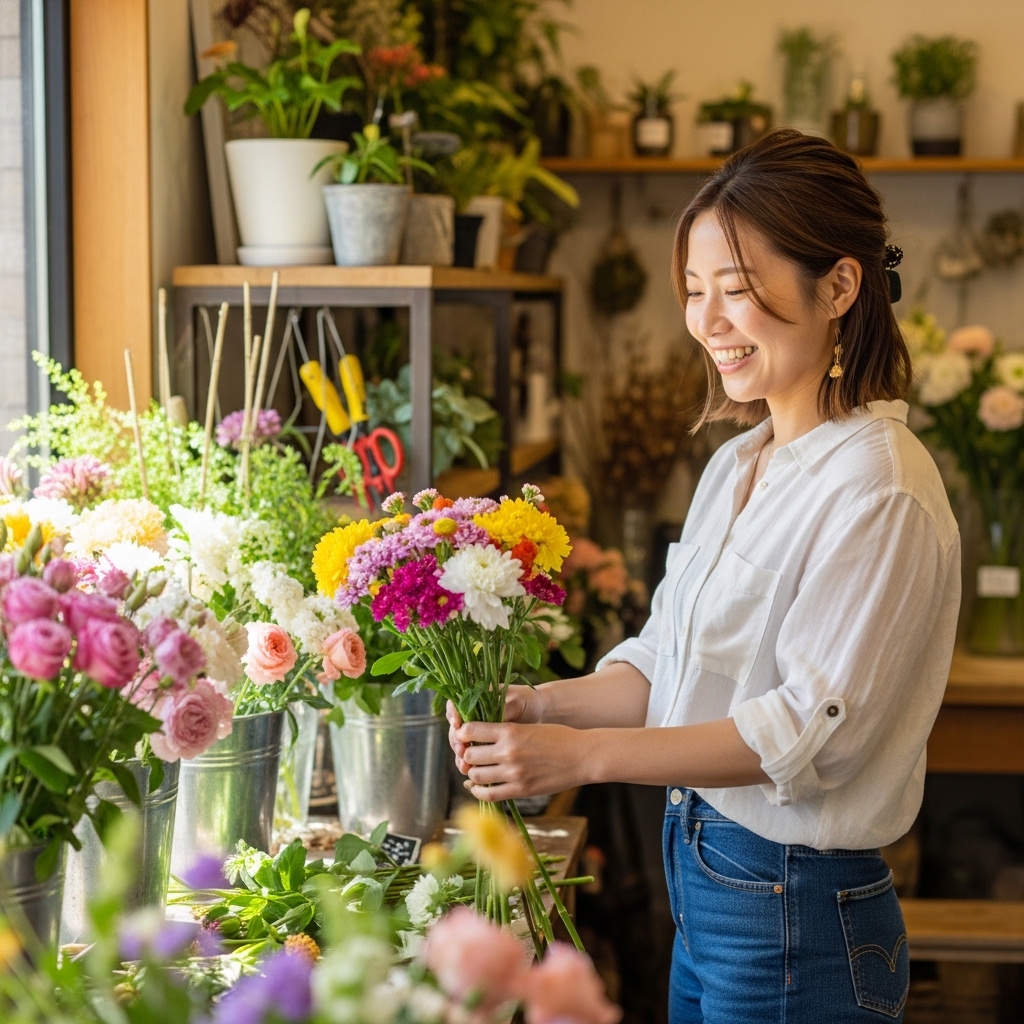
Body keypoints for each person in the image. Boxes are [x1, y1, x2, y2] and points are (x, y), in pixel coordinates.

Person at [447, 129, 960, 1023]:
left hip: (796, 910)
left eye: (739, 291)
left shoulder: (881, 484)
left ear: (840, 286)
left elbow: (807, 731)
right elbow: (672, 665)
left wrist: (586, 758)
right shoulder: (738, 462)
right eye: (694, 291)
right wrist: (547, 706)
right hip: (711, 883)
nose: (708, 322)